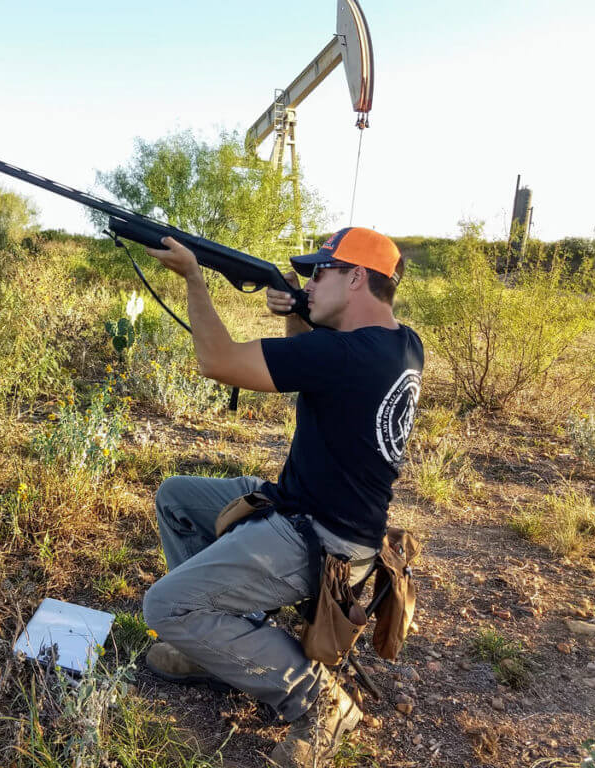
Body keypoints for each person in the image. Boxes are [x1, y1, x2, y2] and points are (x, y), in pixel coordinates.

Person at [139, 227, 423, 767]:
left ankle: (320, 702)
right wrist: (300, 307)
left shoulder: (344, 355)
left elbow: (217, 361)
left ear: (357, 277)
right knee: (176, 497)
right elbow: (308, 363)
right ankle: (222, 648)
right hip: (301, 508)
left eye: (322, 272)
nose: (310, 282)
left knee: (165, 604)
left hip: (320, 541)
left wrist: (194, 278)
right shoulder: (402, 343)